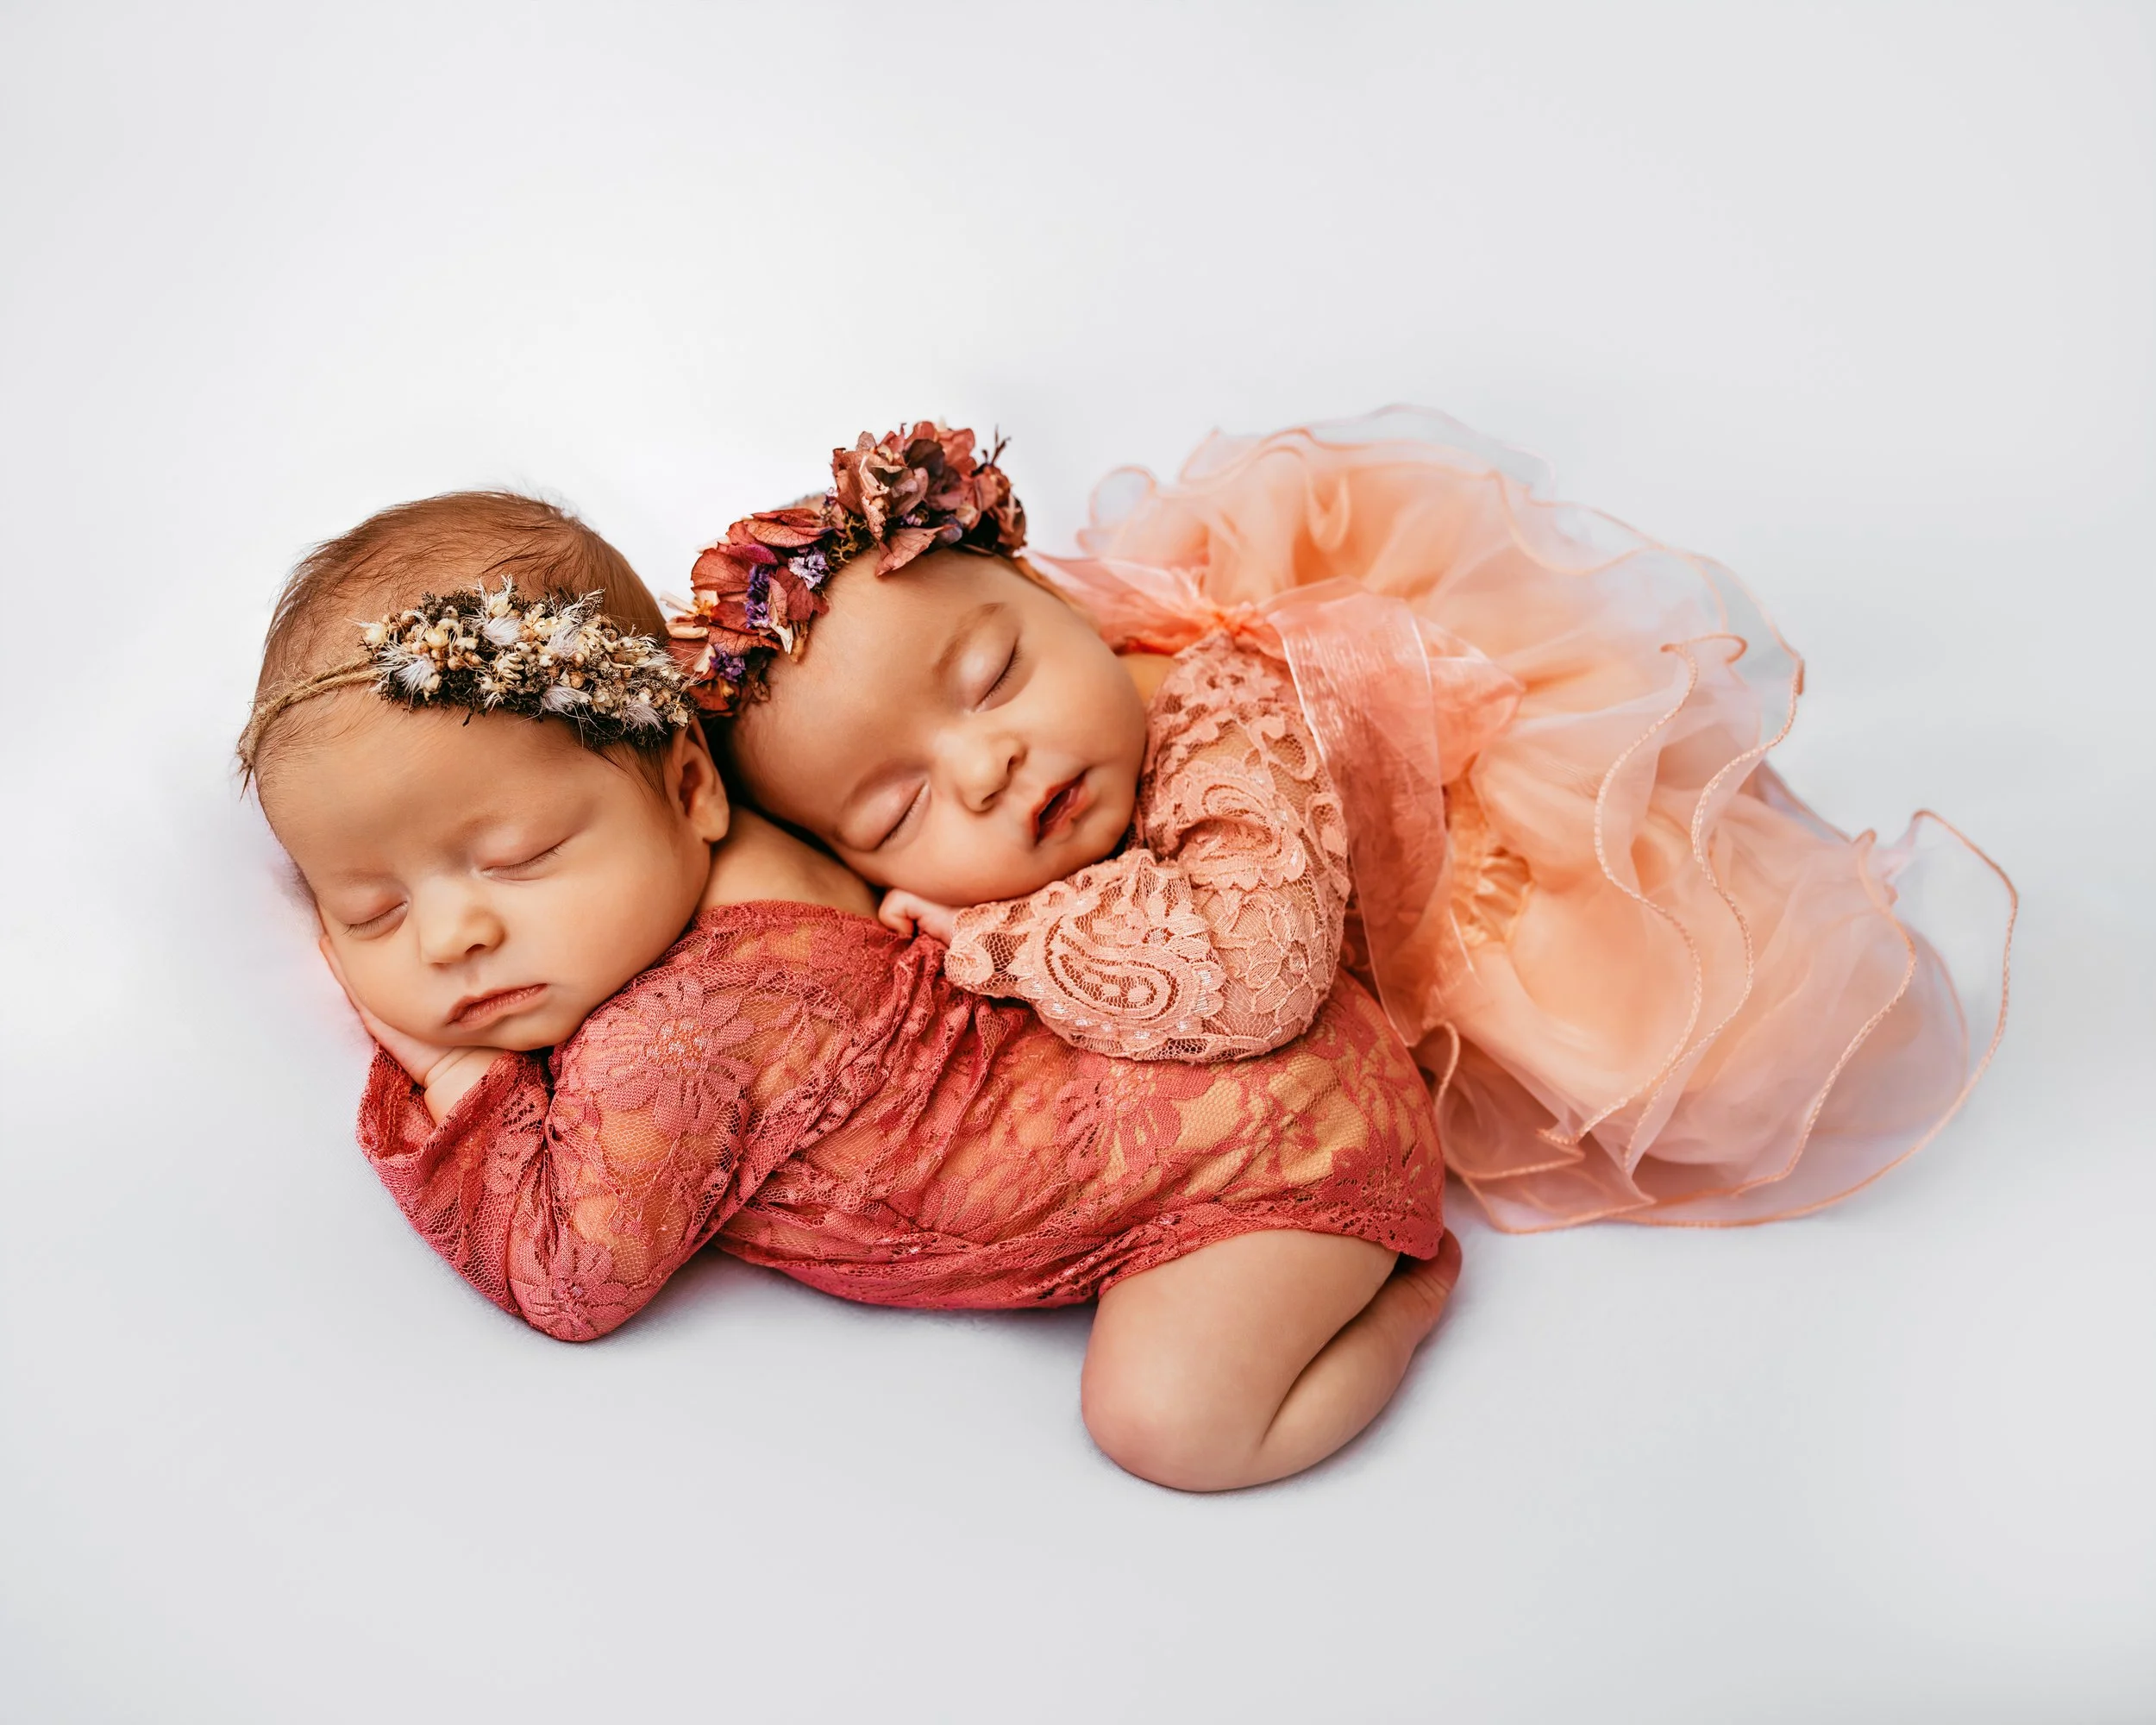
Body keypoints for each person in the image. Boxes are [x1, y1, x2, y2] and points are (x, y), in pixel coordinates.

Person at [238, 490, 1458, 1493]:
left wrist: (456, 1079)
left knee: (1170, 1423)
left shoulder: (681, 1031)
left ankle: (1399, 1305)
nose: (457, 936)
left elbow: (570, 1275)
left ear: (689, 789)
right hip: (1215, 1072)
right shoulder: (731, 845)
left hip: (1272, 1161)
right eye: (372, 912)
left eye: (518, 861)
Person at [693, 412, 2014, 1231]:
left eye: (995, 678)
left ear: (1063, 606)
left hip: (1501, 899)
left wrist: (989, 938)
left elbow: (1254, 979)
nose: (985, 767)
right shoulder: (1035, 799)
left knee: (1722, 1058)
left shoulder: (1223, 707)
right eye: (901, 804)